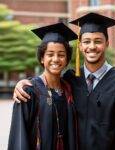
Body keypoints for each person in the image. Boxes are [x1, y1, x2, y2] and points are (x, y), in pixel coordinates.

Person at [13, 13, 115, 150]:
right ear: (80, 46)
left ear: (107, 44)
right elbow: (48, 82)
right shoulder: (71, 79)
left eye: (98, 41)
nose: (92, 46)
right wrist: (26, 83)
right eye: (86, 41)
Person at [8, 22, 78, 150]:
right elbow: (19, 137)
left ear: (67, 60)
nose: (56, 59)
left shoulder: (69, 89)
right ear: (42, 58)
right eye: (50, 54)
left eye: (61, 55)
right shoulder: (28, 92)